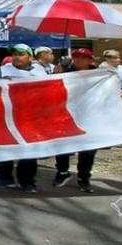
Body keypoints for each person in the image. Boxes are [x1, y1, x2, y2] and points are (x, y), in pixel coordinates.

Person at [0, 44, 46, 193]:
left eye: (21, 54)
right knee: (6, 147)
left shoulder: (40, 72)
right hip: (6, 116)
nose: (17, 57)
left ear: (30, 57)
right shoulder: (2, 70)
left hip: (30, 118)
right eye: (14, 54)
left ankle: (27, 181)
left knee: (30, 151)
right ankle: (4, 178)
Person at [50, 49, 99, 193]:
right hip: (66, 114)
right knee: (63, 145)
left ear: (90, 60)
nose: (79, 60)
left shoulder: (99, 74)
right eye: (76, 57)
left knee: (88, 149)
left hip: (90, 116)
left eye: (84, 58)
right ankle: (62, 172)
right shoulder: (64, 71)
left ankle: (84, 177)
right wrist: (55, 76)